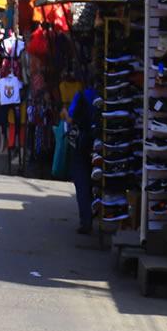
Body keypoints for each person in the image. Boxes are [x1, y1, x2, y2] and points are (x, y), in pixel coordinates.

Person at [65, 84, 100, 235]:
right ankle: (97, 210)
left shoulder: (81, 95)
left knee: (81, 181)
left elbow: (71, 119)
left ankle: (86, 221)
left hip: (81, 143)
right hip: (98, 142)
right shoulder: (102, 96)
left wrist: (64, 114)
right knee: (97, 180)